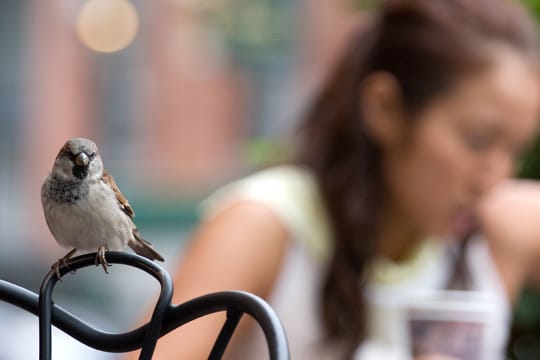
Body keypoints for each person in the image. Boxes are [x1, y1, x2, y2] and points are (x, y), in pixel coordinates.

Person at [135, 0, 540, 359]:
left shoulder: (500, 227)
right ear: (385, 108)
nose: (496, 174)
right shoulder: (266, 227)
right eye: (478, 141)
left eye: (515, 149)